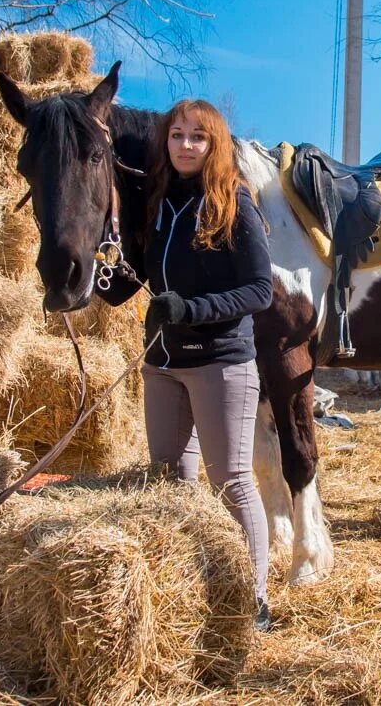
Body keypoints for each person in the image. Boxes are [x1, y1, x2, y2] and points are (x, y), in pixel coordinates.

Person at [98, 99, 274, 631]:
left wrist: (190, 310)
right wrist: (88, 277)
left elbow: (260, 290)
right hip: (162, 364)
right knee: (170, 477)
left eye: (197, 136)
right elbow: (135, 280)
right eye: (176, 134)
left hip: (220, 363)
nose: (185, 145)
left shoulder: (233, 203)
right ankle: (191, 586)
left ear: (214, 144)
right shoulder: (157, 204)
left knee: (232, 481)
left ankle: (254, 598)